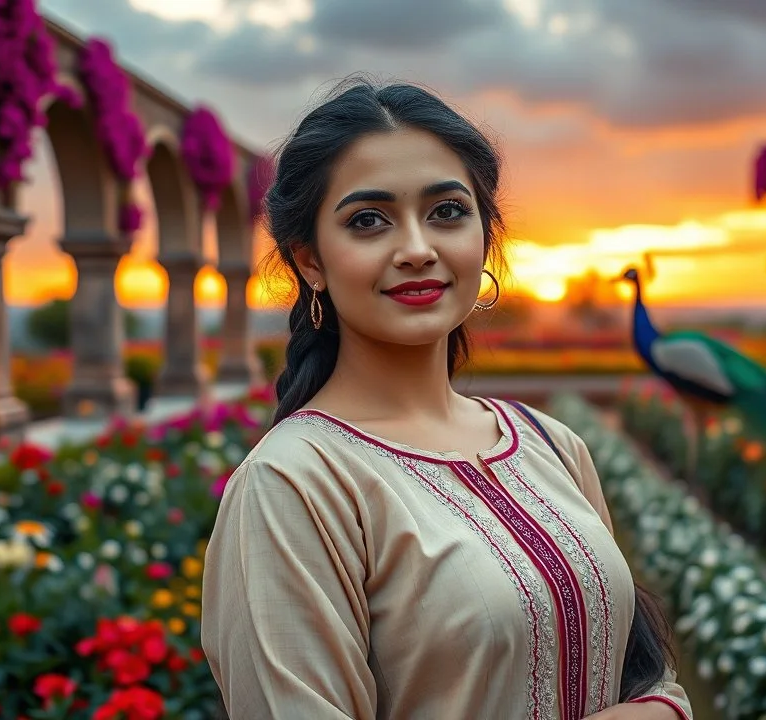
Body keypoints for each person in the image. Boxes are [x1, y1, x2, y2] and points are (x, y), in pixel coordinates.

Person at [200, 78, 693, 720]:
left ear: (483, 236)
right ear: (311, 261)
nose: (417, 249)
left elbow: (644, 675)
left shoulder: (549, 445)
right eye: (368, 221)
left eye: (447, 212)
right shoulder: (294, 487)